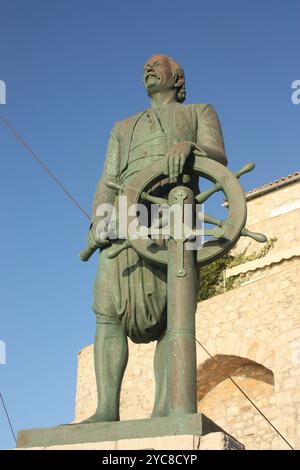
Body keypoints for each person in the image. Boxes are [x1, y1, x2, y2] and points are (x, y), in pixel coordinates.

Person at [83, 54, 227, 423]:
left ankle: (166, 409)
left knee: (173, 314)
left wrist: (191, 148)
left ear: (177, 78)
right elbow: (106, 178)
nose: (148, 68)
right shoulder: (122, 126)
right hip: (124, 223)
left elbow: (219, 158)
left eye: (157, 64)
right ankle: (105, 410)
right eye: (145, 65)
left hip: (172, 219)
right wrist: (99, 218)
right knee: (107, 313)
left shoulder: (198, 112)